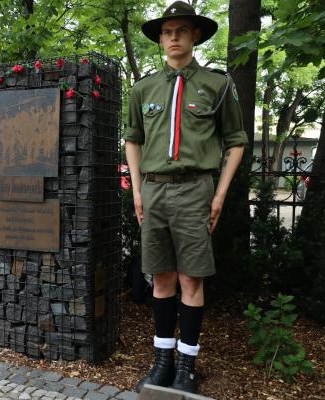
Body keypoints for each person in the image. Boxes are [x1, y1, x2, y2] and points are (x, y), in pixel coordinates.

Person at [124, 1, 247, 394]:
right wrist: (137, 190)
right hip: (154, 190)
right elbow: (133, 139)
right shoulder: (143, 88)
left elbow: (236, 141)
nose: (173, 37)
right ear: (161, 39)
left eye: (180, 30)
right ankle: (162, 360)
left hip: (196, 189)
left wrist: (220, 193)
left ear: (195, 35)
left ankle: (187, 366)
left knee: (191, 279)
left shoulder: (218, 84)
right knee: (161, 278)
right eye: (166, 31)